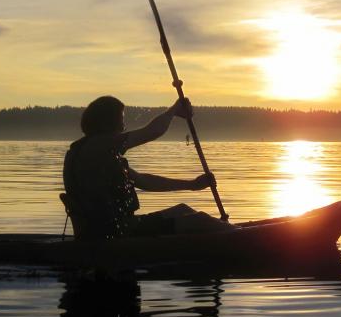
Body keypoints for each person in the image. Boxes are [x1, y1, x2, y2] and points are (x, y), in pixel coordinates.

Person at [62, 95, 226, 242]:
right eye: (121, 120)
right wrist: (175, 109)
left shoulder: (96, 153)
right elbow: (153, 132)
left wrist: (191, 185)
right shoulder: (99, 146)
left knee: (183, 209)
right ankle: (242, 236)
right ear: (106, 123)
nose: (123, 127)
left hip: (113, 229)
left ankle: (234, 232)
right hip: (112, 235)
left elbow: (144, 181)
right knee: (200, 220)